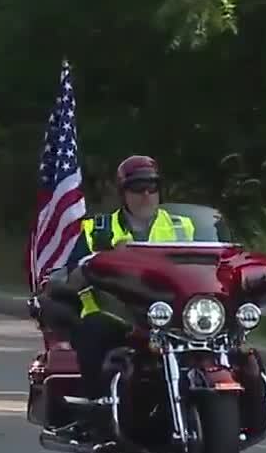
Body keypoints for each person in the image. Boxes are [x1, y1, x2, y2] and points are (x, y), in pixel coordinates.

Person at [59, 154, 196, 407]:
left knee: (230, 340)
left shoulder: (184, 228)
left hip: (174, 318)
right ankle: (96, 408)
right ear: (123, 192)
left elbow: (211, 264)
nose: (145, 194)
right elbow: (71, 278)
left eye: (152, 186)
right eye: (136, 187)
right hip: (115, 316)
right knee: (92, 330)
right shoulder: (97, 230)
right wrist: (106, 259)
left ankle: (240, 400)